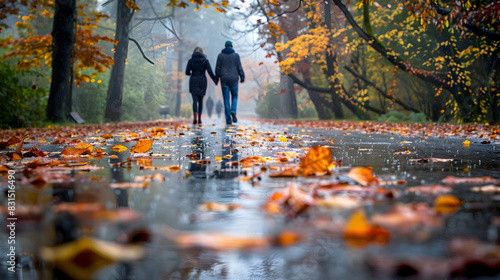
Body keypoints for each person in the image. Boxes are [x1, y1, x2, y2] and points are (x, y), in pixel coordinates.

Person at [215, 41, 245, 125]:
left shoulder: (220, 56)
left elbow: (217, 68)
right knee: (234, 96)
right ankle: (233, 110)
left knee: (226, 99)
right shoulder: (236, 56)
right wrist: (242, 76)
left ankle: (228, 119)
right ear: (231, 46)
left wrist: (217, 78)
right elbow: (239, 67)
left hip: (224, 79)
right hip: (234, 79)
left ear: (225, 46)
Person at [185, 47, 217, 125]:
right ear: (202, 53)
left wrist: (191, 73)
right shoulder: (205, 61)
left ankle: (195, 117)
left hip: (194, 81)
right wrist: (215, 80)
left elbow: (187, 72)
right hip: (202, 81)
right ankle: (199, 118)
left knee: (195, 101)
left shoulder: (191, 61)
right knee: (200, 101)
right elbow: (210, 72)